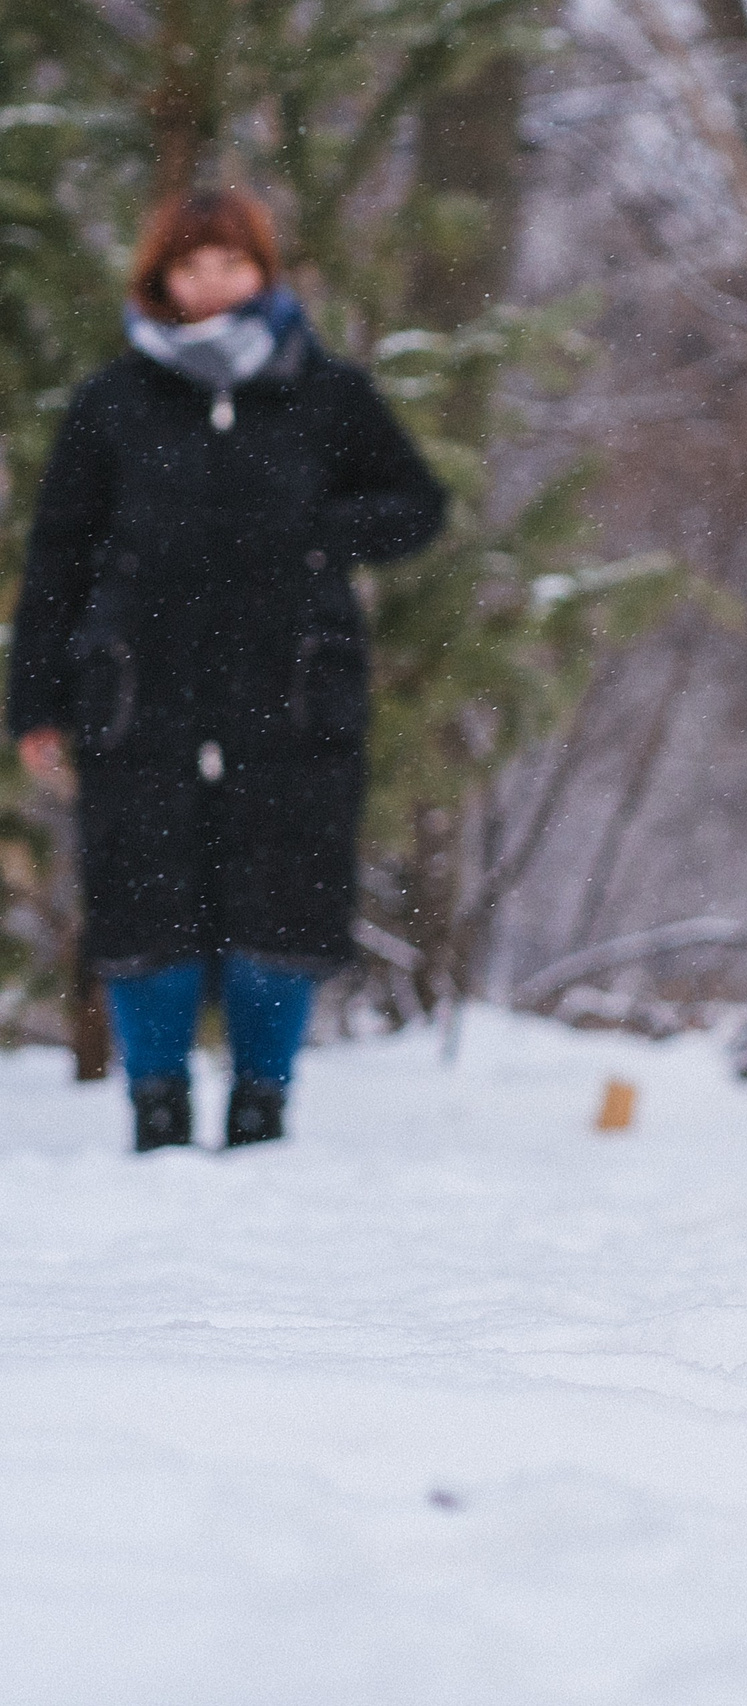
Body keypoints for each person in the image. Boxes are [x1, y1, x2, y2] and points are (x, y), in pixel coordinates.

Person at [6, 187, 447, 1152]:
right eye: (192, 265)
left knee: (281, 903)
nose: (212, 285)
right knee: (141, 901)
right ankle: (155, 1111)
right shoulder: (112, 403)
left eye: (232, 264)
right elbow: (57, 561)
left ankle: (263, 1108)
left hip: (292, 690)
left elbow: (416, 505)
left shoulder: (324, 393)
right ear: (159, 276)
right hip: (137, 691)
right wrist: (33, 701)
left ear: (264, 271)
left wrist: (323, 534)